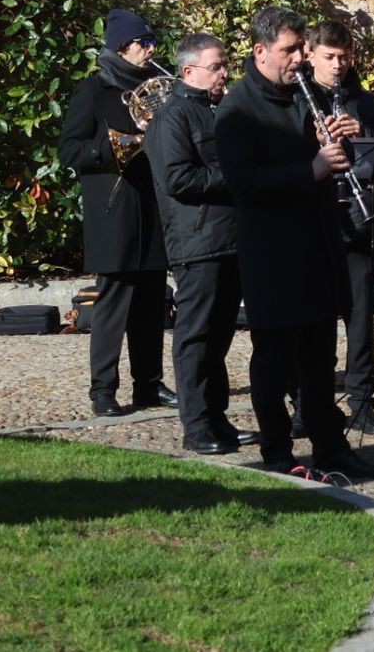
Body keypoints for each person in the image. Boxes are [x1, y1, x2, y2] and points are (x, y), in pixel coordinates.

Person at [215, 7, 374, 479]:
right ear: (260, 51)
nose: (298, 59)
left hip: (316, 241)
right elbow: (242, 181)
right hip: (271, 250)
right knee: (274, 356)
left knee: (318, 353)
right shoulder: (237, 110)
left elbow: (330, 162)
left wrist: (341, 145)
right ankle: (277, 452)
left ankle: (330, 447)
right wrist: (309, 169)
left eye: (300, 50)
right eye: (290, 51)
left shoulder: (302, 96)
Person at [57, 8, 174, 418]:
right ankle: (103, 389)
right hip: (114, 208)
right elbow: (69, 150)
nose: (151, 49)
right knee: (113, 304)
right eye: (143, 43)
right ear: (121, 47)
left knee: (151, 300)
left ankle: (149, 385)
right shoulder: (94, 90)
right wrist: (118, 146)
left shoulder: (158, 88)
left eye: (151, 41)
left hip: (153, 205)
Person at [145, 34, 254, 454]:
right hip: (197, 243)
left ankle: (217, 419)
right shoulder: (172, 118)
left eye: (225, 64)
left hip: (230, 239)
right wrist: (238, 176)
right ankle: (196, 426)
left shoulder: (219, 112)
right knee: (196, 338)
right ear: (188, 71)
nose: (224, 72)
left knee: (220, 337)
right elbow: (178, 180)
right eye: (217, 66)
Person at [300, 19, 374, 436]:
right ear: (310, 54)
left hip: (356, 216)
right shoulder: (297, 98)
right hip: (315, 216)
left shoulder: (366, 103)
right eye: (329, 57)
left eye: (344, 58)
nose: (338, 66)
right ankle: (306, 404)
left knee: (359, 314)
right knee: (313, 316)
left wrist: (364, 133)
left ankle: (361, 400)